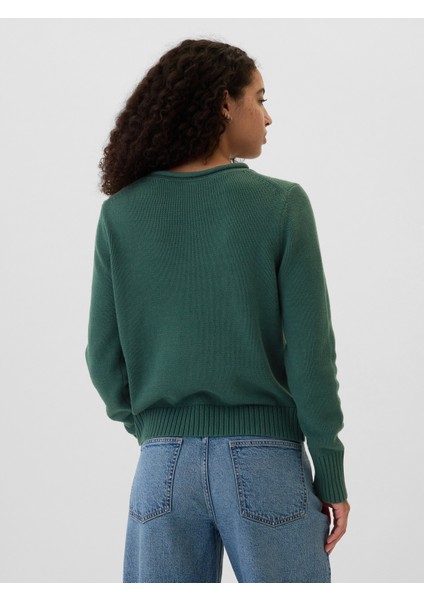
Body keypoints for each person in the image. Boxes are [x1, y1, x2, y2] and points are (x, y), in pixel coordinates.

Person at [85, 38, 350, 583]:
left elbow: (103, 357)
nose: (268, 116)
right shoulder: (282, 204)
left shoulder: (121, 213)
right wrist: (330, 470)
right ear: (225, 103)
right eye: (260, 98)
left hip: (161, 467)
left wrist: (157, 428)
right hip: (265, 462)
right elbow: (311, 355)